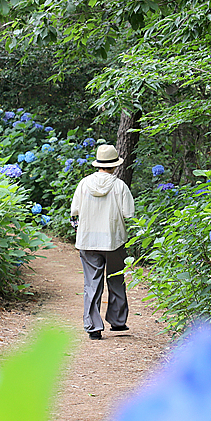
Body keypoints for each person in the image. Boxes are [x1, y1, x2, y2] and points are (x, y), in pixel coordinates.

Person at [70, 144, 135, 340]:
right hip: (113, 239)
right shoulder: (119, 186)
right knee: (116, 278)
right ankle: (117, 321)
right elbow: (129, 214)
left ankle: (93, 327)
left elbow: (74, 213)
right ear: (115, 165)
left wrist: (80, 231)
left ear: (98, 163)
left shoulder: (84, 184)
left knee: (92, 283)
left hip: (88, 240)